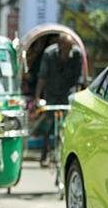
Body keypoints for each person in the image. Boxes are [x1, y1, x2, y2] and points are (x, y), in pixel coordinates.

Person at [34, 34, 83, 167]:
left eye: (70, 48)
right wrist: (38, 96)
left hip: (68, 92)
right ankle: (45, 154)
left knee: (68, 124)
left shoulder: (77, 54)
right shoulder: (49, 54)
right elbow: (42, 76)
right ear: (60, 46)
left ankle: (64, 154)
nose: (68, 51)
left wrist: (78, 98)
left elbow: (79, 79)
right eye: (66, 48)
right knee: (49, 123)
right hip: (52, 92)